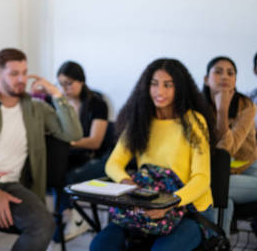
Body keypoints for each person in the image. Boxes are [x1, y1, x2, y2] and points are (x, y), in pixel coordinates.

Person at [0, 48, 83, 251]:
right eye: (14, 73)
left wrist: (56, 94)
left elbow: (73, 134)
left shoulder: (37, 108)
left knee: (44, 226)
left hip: (10, 185)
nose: (21, 79)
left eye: (24, 73)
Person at [90, 58, 215, 251]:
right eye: (154, 84)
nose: (160, 92)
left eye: (168, 85)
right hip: (145, 208)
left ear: (179, 88)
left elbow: (201, 179)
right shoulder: (141, 120)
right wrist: (127, 184)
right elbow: (113, 164)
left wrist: (169, 204)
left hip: (189, 211)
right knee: (100, 246)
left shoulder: (194, 122)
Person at [53, 61, 112, 242]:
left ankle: (66, 220)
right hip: (68, 156)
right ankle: (65, 219)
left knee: (64, 178)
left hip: (93, 158)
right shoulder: (58, 104)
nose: (65, 89)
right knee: (56, 173)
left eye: (69, 83)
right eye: (61, 84)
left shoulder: (97, 104)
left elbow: (94, 142)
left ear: (82, 81)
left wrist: (67, 142)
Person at [203, 56, 257, 235]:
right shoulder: (197, 107)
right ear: (206, 79)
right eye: (218, 72)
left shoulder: (247, 106)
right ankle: (219, 244)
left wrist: (222, 112)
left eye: (230, 73)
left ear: (235, 81)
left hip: (249, 170)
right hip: (218, 171)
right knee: (224, 195)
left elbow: (227, 152)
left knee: (219, 187)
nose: (225, 77)